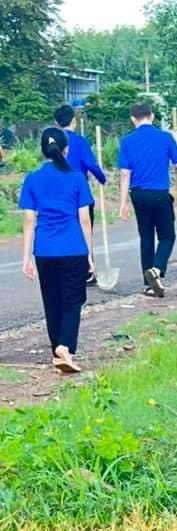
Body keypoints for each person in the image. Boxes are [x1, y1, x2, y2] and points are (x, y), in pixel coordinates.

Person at [18, 127, 94, 374]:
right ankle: (65, 347)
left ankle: (57, 351)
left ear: (43, 150)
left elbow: (29, 219)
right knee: (73, 301)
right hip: (73, 249)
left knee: (52, 301)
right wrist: (89, 254)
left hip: (44, 251)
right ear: (66, 149)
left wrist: (26, 257)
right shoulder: (76, 178)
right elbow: (84, 219)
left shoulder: (32, 178)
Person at [118, 102, 177, 298]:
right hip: (159, 193)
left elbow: (125, 173)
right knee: (167, 236)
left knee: (146, 238)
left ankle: (148, 285)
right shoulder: (165, 137)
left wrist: (123, 203)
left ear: (133, 119)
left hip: (138, 194)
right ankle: (156, 269)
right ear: (152, 116)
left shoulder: (127, 141)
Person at [53, 103, 107, 284]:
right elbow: (90, 164)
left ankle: (65, 271)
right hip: (79, 194)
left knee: (63, 231)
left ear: (56, 122)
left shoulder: (52, 142)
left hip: (58, 195)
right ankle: (86, 271)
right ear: (74, 121)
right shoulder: (80, 141)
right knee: (84, 231)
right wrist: (102, 178)